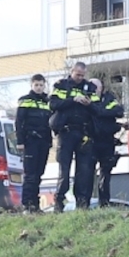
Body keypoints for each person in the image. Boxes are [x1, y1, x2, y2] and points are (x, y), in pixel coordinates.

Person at [49, 64, 98, 211]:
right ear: (72, 72)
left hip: (84, 132)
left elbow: (97, 108)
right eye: (78, 75)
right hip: (66, 132)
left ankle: (82, 203)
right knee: (64, 169)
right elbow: (53, 104)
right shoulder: (61, 85)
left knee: (83, 170)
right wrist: (73, 100)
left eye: (82, 75)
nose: (80, 78)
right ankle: (59, 202)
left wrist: (89, 104)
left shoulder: (89, 87)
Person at [14, 73, 55, 212]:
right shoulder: (25, 100)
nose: (39, 88)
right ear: (32, 85)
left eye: (41, 85)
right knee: (30, 175)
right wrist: (20, 141)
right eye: (36, 85)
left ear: (44, 86)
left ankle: (35, 205)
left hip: (44, 141)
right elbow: (19, 122)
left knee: (39, 174)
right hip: (30, 141)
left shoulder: (47, 102)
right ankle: (27, 204)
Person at [87, 87, 125, 208]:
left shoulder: (109, 98)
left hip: (107, 141)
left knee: (106, 173)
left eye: (97, 87)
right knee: (87, 174)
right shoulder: (86, 97)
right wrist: (104, 113)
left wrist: (99, 111)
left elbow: (119, 111)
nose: (95, 89)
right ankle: (84, 203)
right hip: (91, 142)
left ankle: (104, 202)